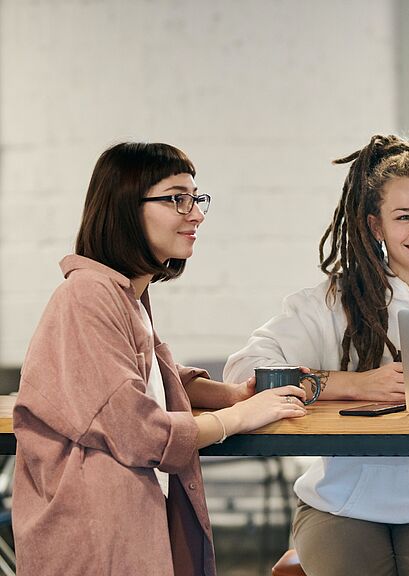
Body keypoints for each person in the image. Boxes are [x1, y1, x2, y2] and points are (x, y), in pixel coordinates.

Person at [12, 142, 308, 576]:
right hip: (95, 538)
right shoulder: (86, 296)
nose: (196, 214)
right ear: (127, 208)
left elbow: (147, 374)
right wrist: (239, 416)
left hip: (122, 525)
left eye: (195, 198)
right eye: (177, 198)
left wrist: (228, 394)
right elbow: (137, 429)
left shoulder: (125, 294)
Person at [224, 134, 409, 576]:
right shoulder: (334, 300)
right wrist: (354, 384)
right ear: (376, 226)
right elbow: (245, 370)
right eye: (404, 217)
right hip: (341, 504)